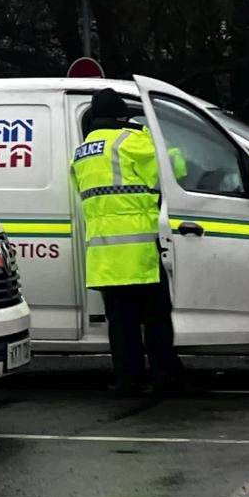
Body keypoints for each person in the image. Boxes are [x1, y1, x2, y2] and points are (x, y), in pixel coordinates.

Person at [72, 88, 188, 396]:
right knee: (156, 320)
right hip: (140, 251)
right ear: (123, 115)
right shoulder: (133, 141)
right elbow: (175, 169)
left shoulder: (81, 152)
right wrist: (157, 137)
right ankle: (166, 379)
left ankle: (128, 381)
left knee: (121, 326)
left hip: (104, 256)